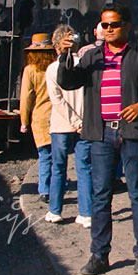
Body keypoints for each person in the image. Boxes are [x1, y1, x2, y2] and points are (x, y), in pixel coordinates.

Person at [58, 2, 138, 275]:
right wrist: (64, 56)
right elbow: (69, 81)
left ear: (127, 26)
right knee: (100, 196)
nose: (108, 29)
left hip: (133, 134)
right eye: (104, 25)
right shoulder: (92, 57)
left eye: (114, 24)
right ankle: (99, 254)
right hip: (101, 133)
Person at [44, 24, 92, 227]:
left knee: (59, 168)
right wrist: (81, 122)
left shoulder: (52, 69)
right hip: (83, 125)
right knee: (84, 169)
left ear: (56, 47)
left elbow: (57, 101)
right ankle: (86, 213)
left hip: (61, 125)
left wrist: (72, 121)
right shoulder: (85, 66)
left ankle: (55, 211)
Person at [19, 33, 55, 203]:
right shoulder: (55, 66)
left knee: (44, 155)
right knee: (59, 156)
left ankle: (44, 190)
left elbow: (26, 98)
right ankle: (56, 187)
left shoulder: (30, 70)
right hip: (58, 115)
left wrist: (24, 121)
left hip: (40, 117)